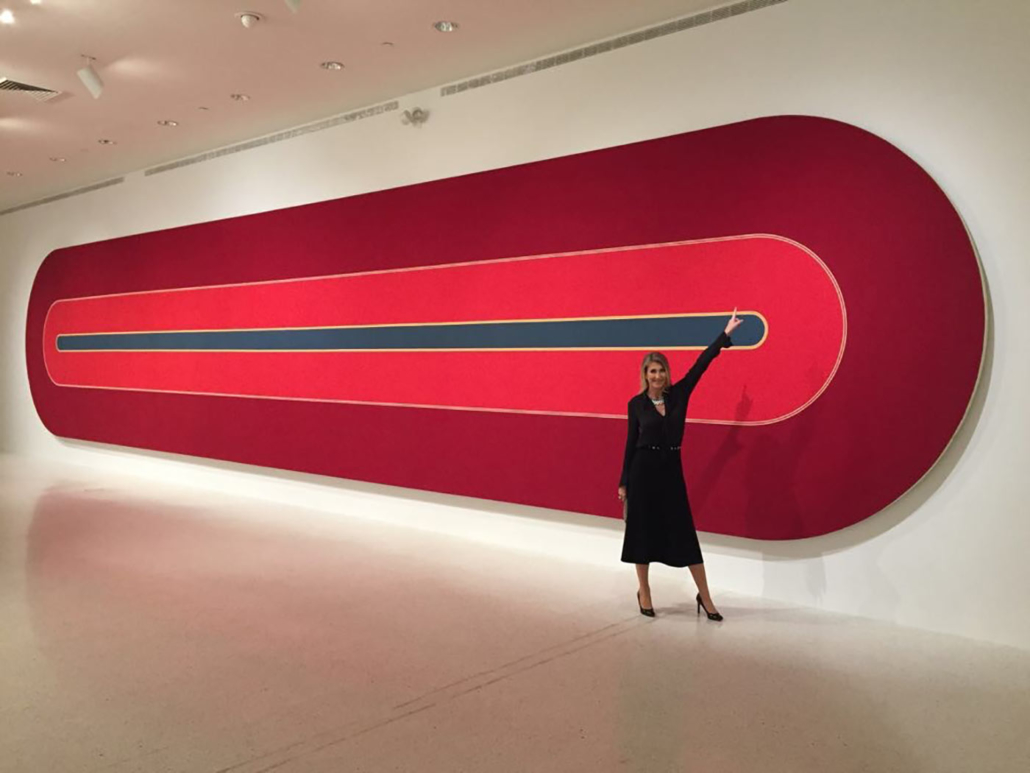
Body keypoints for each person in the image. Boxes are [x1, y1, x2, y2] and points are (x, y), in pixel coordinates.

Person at [617, 309, 743, 621]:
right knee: (642, 533)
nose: (656, 376)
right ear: (645, 374)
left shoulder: (679, 395)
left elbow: (702, 365)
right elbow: (630, 443)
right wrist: (624, 482)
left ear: (666, 373)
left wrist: (724, 335)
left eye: (660, 370)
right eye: (651, 371)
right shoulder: (636, 405)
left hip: (671, 470)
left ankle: (706, 596)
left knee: (685, 534)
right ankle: (644, 592)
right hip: (643, 472)